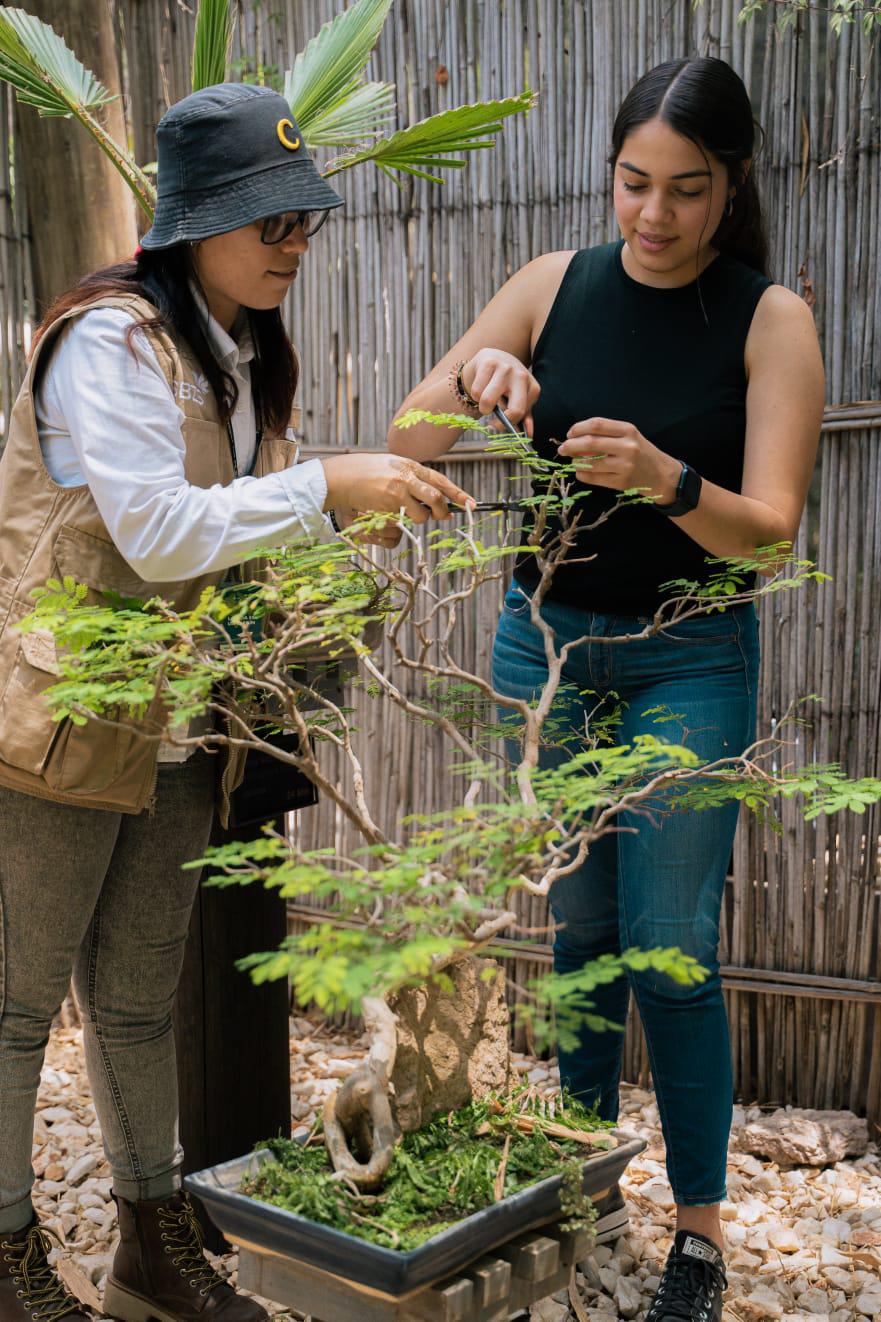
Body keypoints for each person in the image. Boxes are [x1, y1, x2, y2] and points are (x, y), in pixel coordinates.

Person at [0, 83, 472, 1322]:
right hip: (55, 724)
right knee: (14, 1004)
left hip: (178, 726)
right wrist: (325, 486)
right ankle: (5, 1264)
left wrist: (346, 575)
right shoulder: (108, 341)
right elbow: (158, 533)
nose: (288, 241)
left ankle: (152, 1245)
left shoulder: (243, 352)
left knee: (140, 998)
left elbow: (237, 540)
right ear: (189, 219)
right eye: (263, 219)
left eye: (300, 220)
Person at [389, 56, 823, 1322]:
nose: (652, 215)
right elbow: (409, 434)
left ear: (728, 184)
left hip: (688, 655)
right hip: (546, 646)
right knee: (575, 936)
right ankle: (584, 1177)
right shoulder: (549, 284)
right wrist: (481, 387)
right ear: (610, 173)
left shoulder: (766, 319)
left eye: (685, 191)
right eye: (633, 183)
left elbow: (772, 532)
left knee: (667, 948)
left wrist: (665, 479)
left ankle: (696, 1231)